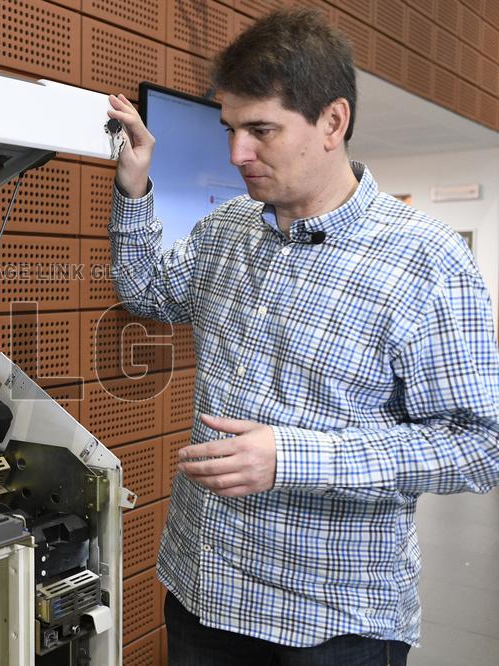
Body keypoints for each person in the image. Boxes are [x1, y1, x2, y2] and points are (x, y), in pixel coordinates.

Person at [106, 8, 499, 666]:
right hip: (206, 593)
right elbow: (146, 292)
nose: (236, 153)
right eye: (230, 128)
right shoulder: (224, 230)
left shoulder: (428, 263)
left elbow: (478, 446)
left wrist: (293, 458)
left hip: (334, 623)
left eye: (261, 130)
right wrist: (135, 184)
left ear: (332, 122)